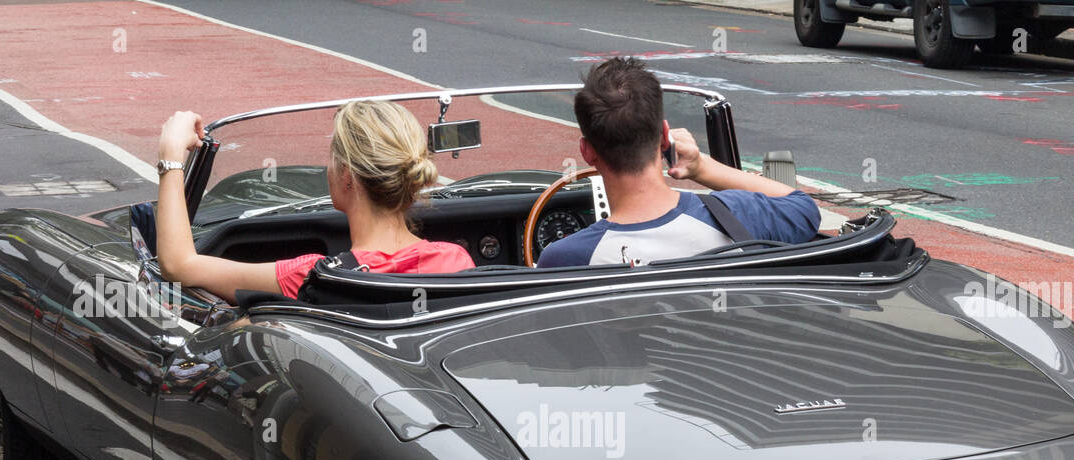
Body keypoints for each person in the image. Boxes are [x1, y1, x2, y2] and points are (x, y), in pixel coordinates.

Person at [155, 100, 474, 303]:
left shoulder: (315, 276)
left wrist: (171, 154)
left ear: (347, 175)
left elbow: (179, 265)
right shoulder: (457, 262)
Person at [537, 56, 821, 269]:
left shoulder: (565, 258)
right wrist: (701, 167)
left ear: (587, 152)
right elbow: (804, 209)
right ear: (664, 136)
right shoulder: (734, 215)